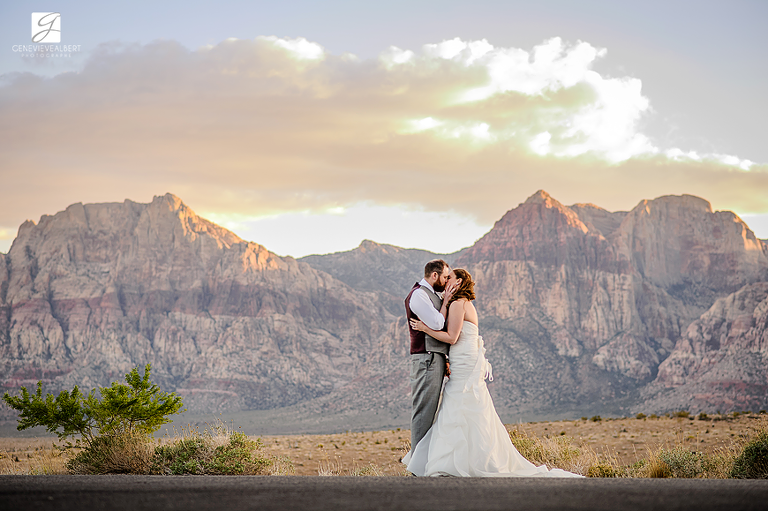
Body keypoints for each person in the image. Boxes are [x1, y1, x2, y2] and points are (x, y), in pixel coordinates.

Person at [403, 268, 583, 478]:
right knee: (462, 405)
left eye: (449, 278)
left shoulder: (459, 304)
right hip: (463, 358)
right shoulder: (462, 304)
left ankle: (455, 462)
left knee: (458, 403)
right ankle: (462, 459)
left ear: (458, 282)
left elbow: (452, 337)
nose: (445, 282)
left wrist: (425, 329)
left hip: (465, 360)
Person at [404, 259, 459, 451]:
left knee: (431, 411)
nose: (446, 281)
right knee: (424, 412)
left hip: (434, 358)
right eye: (444, 277)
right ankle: (417, 468)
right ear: (434, 275)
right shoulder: (419, 295)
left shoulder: (432, 294)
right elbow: (437, 324)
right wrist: (445, 303)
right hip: (426, 358)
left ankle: (425, 462)